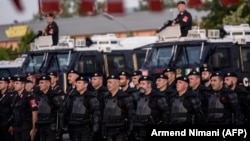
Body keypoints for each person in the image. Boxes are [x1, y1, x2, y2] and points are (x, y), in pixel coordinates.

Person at [134, 75, 169, 141]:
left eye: (143, 84)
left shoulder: (158, 97)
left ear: (149, 84)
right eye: (140, 84)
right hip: (140, 129)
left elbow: (166, 113)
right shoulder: (138, 97)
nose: (141, 86)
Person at [66, 75, 100, 141]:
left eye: (79, 83)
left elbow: (96, 113)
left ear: (85, 85)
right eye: (77, 83)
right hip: (74, 127)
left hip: (85, 127)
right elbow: (68, 111)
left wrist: (95, 129)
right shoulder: (73, 97)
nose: (77, 85)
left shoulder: (90, 97)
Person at [102, 74, 134, 141]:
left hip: (121, 129)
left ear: (117, 83)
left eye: (110, 82)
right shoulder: (105, 97)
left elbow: (131, 115)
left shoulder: (125, 97)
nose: (108, 84)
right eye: (107, 82)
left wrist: (130, 131)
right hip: (108, 129)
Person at [35, 75, 63, 141]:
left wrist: (59, 128)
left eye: (42, 83)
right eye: (39, 83)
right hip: (41, 125)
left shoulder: (54, 95)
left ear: (48, 84)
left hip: (51, 126)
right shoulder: (39, 95)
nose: (39, 85)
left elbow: (61, 111)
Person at [11, 76, 38, 141]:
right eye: (14, 83)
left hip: (26, 126)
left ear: (23, 85)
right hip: (17, 126)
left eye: (17, 83)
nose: (15, 85)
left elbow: (34, 112)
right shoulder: (15, 97)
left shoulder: (29, 96)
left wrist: (34, 128)